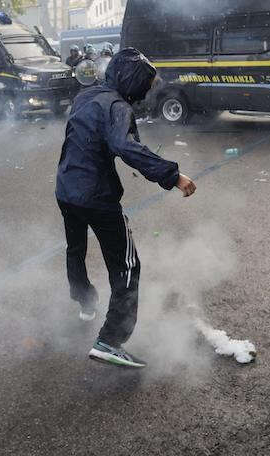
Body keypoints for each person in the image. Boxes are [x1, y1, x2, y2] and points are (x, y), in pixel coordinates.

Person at [55, 48, 197, 369]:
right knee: (128, 265)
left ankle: (85, 302)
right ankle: (111, 339)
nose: (146, 91)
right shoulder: (118, 107)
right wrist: (173, 176)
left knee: (75, 249)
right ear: (131, 80)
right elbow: (126, 147)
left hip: (65, 189)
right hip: (96, 197)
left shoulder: (86, 96)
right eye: (144, 84)